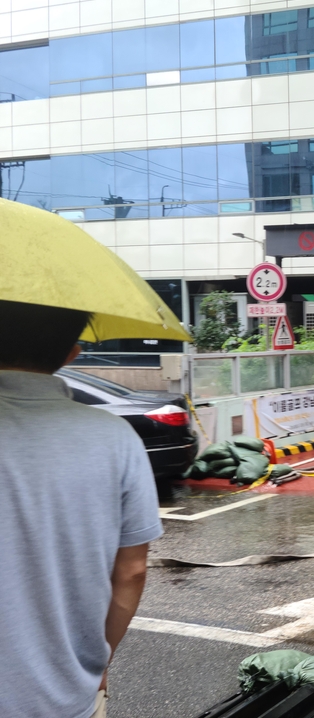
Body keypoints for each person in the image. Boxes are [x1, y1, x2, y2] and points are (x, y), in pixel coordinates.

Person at [0, 301, 162, 718]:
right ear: (72, 351)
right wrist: (98, 662)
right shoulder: (115, 440)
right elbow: (132, 571)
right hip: (64, 696)